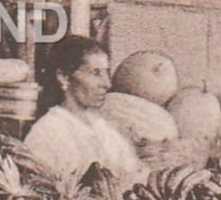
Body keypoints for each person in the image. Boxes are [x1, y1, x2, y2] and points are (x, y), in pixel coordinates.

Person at [24, 35, 146, 186]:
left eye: (106, 73)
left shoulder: (103, 129)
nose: (107, 83)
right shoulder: (46, 134)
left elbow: (137, 177)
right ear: (64, 77)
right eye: (95, 73)